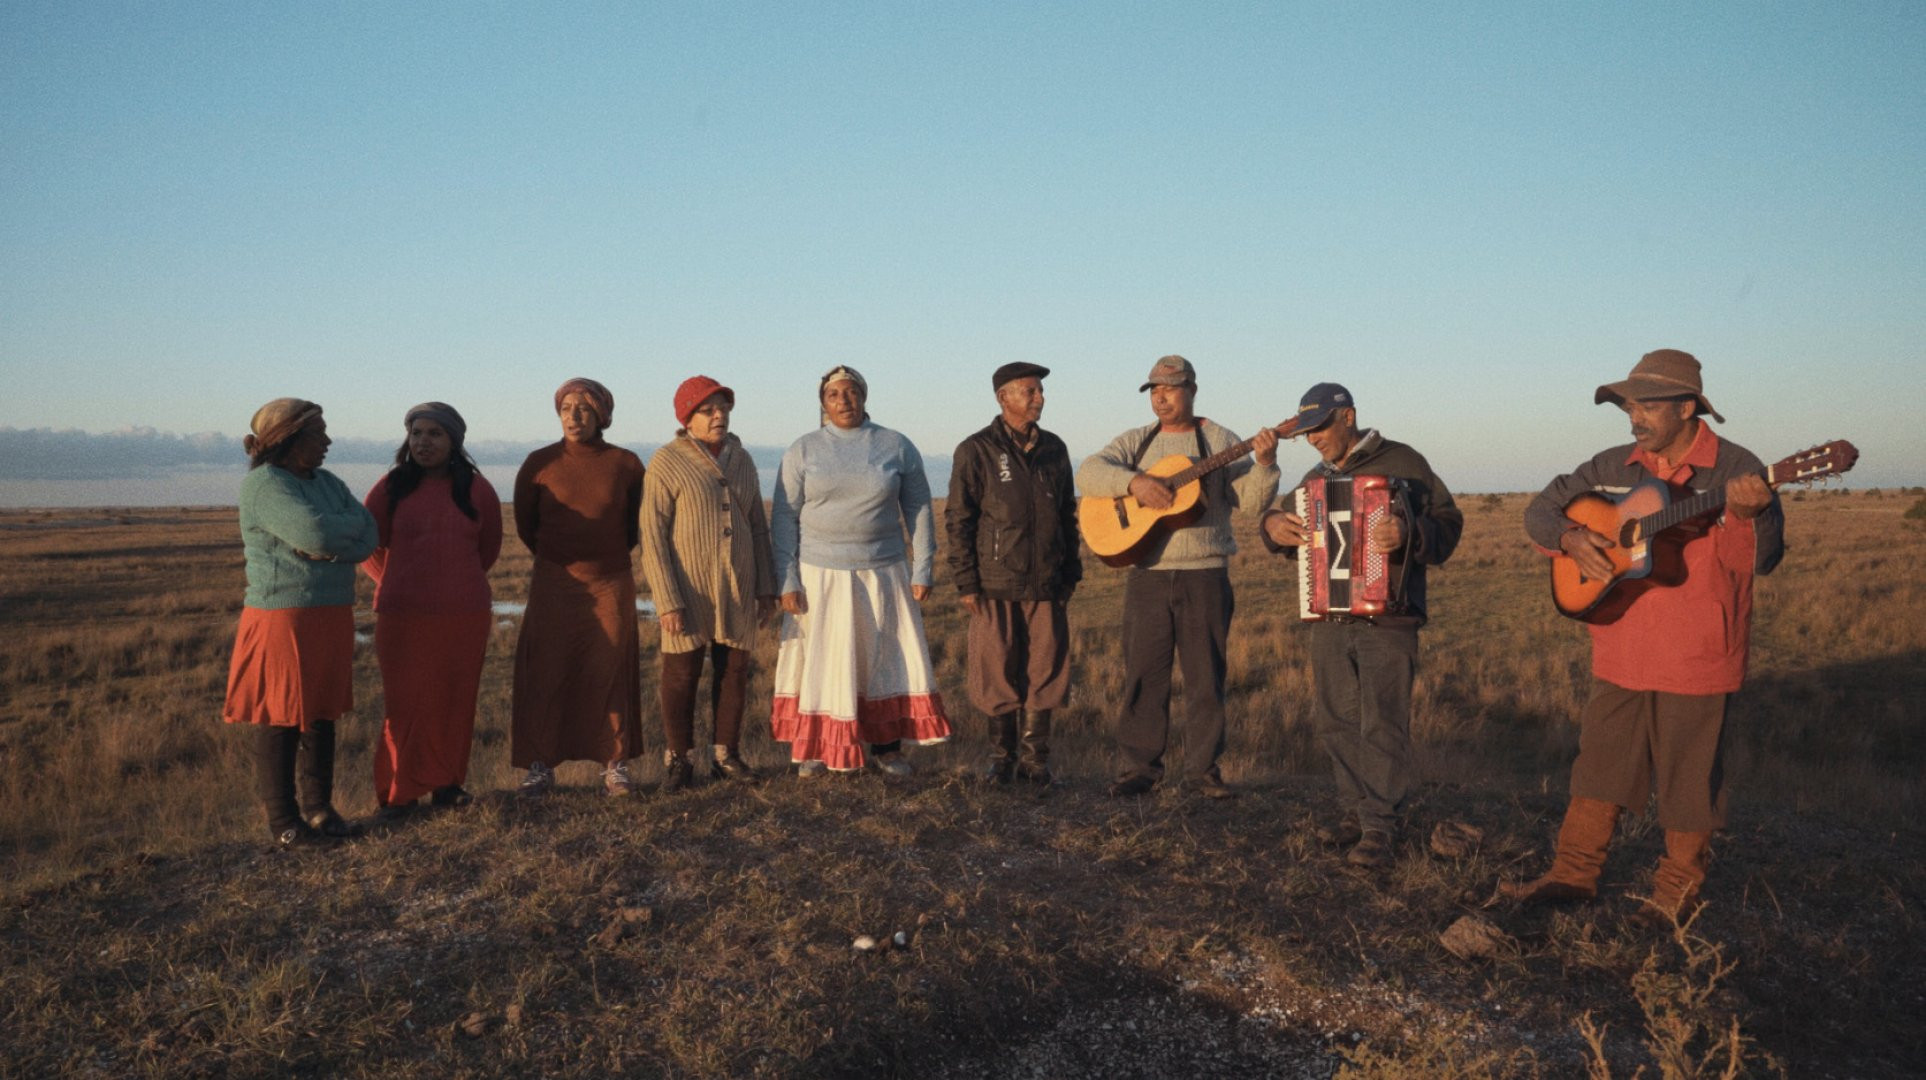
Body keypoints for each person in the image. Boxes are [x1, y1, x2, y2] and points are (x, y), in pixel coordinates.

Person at [1500, 349, 1783, 921]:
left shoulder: (1736, 468)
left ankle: (1672, 900)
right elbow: (1540, 512)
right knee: (1599, 765)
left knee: (1689, 779)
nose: (1634, 416)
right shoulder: (1612, 465)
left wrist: (1749, 515)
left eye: (1647, 405)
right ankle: (1571, 877)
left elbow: (1768, 558)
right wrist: (1570, 540)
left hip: (1699, 652)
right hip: (1620, 643)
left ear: (1687, 407)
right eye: (1629, 405)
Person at [1258, 383, 1463, 868]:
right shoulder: (1313, 478)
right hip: (1329, 616)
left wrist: (1410, 531)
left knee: (1383, 721)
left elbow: (1449, 523)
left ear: (1347, 416)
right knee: (1336, 719)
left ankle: (1380, 824)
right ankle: (1354, 812)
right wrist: (1271, 527)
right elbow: (1279, 525)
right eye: (1306, 432)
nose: (1313, 440)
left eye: (1320, 428)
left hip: (1390, 616)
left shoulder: (1405, 462)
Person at [1076, 355, 1280, 799]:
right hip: (1147, 575)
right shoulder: (1136, 441)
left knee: (1206, 677)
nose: (1160, 397)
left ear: (1192, 390)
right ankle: (1139, 770)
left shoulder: (1219, 440)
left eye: (1169, 388)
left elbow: (1252, 499)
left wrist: (1265, 464)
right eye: (1153, 389)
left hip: (1205, 574)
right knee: (1143, 676)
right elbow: (1089, 472)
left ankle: (1202, 772)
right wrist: (1134, 485)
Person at [769, 365, 952, 775]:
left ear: (864, 396)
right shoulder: (804, 449)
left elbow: (919, 509)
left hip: (883, 571)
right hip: (821, 574)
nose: (844, 401)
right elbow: (784, 516)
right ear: (823, 403)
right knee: (824, 660)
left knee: (883, 657)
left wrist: (922, 567)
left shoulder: (895, 445)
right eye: (834, 395)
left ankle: (887, 749)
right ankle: (817, 747)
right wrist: (788, 577)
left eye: (851, 393)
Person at [222, 398, 378, 846]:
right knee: (282, 716)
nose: (328, 441)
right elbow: (316, 533)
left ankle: (320, 811)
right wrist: (332, 536)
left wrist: (331, 543)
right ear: (289, 438)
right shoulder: (265, 486)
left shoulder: (327, 482)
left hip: (331, 611)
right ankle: (284, 822)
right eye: (319, 433)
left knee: (321, 713)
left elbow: (368, 535)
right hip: (282, 615)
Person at [361, 402, 503, 819]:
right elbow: (368, 545)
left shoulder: (477, 489)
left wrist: (456, 581)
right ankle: (397, 793)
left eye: (434, 434)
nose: (423, 442)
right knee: (404, 705)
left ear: (453, 441)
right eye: (416, 433)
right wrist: (396, 580)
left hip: (464, 616)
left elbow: (487, 548)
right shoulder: (390, 487)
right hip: (402, 615)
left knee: (454, 701)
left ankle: (447, 785)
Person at [945, 361, 1081, 784]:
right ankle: (1001, 760)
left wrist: (1070, 573)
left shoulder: (1055, 449)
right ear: (1003, 398)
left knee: (1045, 670)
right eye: (1030, 391)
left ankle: (1036, 761)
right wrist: (967, 582)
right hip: (994, 581)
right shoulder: (976, 450)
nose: (1040, 398)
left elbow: (1066, 515)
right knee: (997, 669)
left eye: (1040, 391)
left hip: (1046, 581)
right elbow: (958, 520)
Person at [639, 375, 778, 791]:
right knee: (681, 672)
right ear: (688, 417)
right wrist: (666, 599)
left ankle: (725, 755)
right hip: (688, 588)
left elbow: (756, 526)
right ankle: (679, 760)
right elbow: (653, 534)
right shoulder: (667, 460)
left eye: (723, 408)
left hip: (738, 583)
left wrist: (766, 586)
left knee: (734, 670)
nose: (719, 416)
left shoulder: (743, 459)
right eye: (708, 410)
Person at [510, 377, 648, 796]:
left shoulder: (625, 463)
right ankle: (540, 767)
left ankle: (614, 765)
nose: (574, 416)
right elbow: (526, 526)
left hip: (611, 580)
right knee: (547, 670)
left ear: (601, 416)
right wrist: (563, 559)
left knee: (609, 668)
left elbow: (633, 527)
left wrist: (601, 559)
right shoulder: (539, 463)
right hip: (555, 581)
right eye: (567, 407)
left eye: (584, 408)